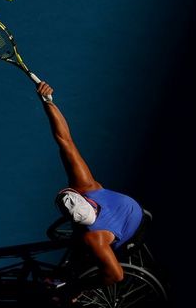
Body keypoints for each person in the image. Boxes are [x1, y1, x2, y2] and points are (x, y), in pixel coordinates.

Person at [37, 81, 143, 286]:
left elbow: (117, 276)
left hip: (131, 232)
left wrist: (76, 290)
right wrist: (47, 101)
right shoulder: (87, 186)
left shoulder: (93, 238)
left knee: (84, 257)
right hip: (132, 207)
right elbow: (64, 140)